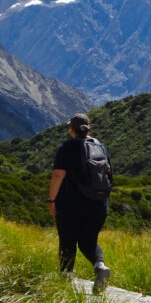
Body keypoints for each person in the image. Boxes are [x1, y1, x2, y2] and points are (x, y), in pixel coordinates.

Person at [48, 113, 112, 293]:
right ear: (88, 128)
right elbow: (108, 174)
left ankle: (65, 282)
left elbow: (58, 175)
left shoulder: (67, 148)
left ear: (72, 129)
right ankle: (100, 266)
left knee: (68, 242)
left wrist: (52, 200)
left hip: (70, 205)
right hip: (99, 205)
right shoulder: (100, 147)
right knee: (89, 241)